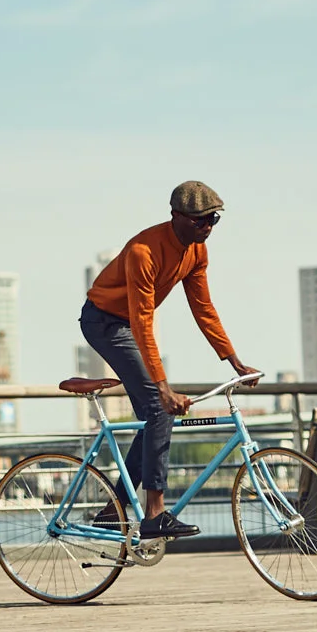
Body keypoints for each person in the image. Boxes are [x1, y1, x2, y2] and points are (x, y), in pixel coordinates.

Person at [80, 180, 259, 537]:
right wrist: (163, 386)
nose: (207, 227)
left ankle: (111, 510)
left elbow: (203, 308)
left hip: (129, 324)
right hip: (104, 322)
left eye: (213, 220)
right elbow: (143, 322)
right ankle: (154, 513)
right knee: (159, 408)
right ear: (175, 216)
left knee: (152, 419)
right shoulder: (144, 251)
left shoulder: (197, 251)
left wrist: (234, 361)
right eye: (199, 221)